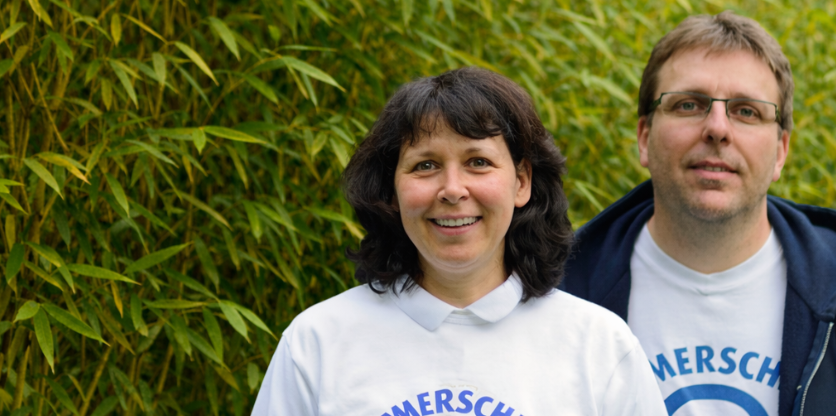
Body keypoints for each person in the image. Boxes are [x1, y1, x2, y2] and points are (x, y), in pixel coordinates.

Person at [252, 67, 667, 416]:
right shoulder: (317, 344)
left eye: (478, 162)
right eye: (425, 165)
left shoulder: (600, 349)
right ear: (391, 190)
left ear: (521, 182)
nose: (452, 189)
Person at [562, 11, 836, 416]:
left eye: (746, 111)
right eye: (689, 104)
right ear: (644, 137)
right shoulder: (558, 292)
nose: (717, 128)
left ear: (780, 152)